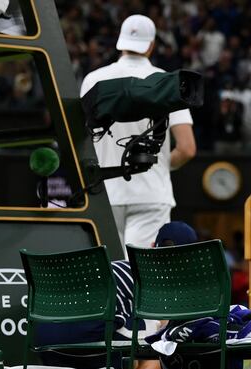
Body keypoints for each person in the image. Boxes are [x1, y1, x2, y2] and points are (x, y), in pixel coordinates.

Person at [36, 221, 199, 369]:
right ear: (188, 260)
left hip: (43, 337)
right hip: (86, 338)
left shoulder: (119, 267)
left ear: (152, 247)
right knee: (165, 347)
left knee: (130, 341)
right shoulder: (155, 280)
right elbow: (154, 343)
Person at [80, 15, 196, 251]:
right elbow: (187, 148)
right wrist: (161, 164)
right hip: (150, 194)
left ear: (120, 42)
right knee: (142, 274)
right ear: (151, 45)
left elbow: (80, 136)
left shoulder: (93, 79)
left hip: (104, 192)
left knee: (109, 273)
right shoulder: (167, 83)